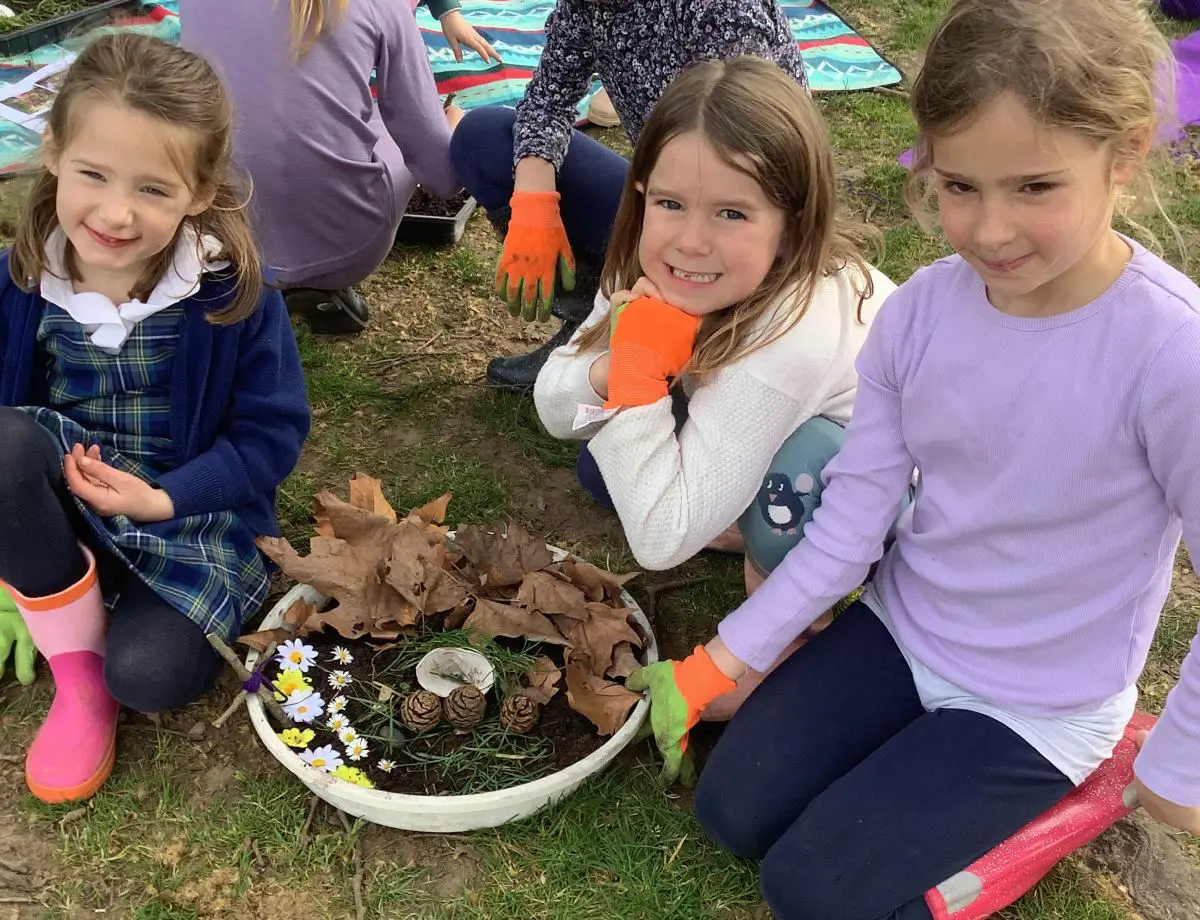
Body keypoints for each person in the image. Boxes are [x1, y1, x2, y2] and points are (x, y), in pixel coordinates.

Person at [627, 1, 1200, 917]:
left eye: (1035, 188)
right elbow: (849, 527)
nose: (990, 230)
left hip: (1042, 706)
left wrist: (1184, 760)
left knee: (811, 889)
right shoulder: (920, 315)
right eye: (960, 186)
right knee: (732, 808)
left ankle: (1090, 782)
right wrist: (721, 661)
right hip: (906, 629)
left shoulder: (1172, 355)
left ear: (1124, 155)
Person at [535, 56, 898, 718]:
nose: (692, 241)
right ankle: (739, 516)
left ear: (792, 224)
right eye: (670, 203)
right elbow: (555, 404)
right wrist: (613, 365)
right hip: (768, 419)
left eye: (732, 213)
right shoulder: (653, 255)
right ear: (643, 193)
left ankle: (791, 632)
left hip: (899, 493)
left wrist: (639, 379)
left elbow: (660, 540)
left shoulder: (793, 335)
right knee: (602, 466)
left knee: (800, 471)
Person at [0, 33, 310, 805]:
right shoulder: (18, 279)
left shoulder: (231, 297)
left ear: (200, 193)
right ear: (51, 152)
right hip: (55, 499)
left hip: (185, 516)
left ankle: (86, 626)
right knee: (3, 445)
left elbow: (271, 435)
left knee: (151, 676)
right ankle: (74, 674)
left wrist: (162, 498)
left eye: (153, 190)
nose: (115, 213)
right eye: (93, 175)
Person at [450, 0, 808, 392]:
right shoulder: (587, 5)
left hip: (742, 221)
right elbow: (548, 101)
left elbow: (751, 155)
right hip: (667, 199)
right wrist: (534, 207)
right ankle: (593, 322)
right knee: (484, 139)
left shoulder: (719, 7)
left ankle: (685, 349)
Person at [181, 0, 474, 334]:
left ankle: (264, 281)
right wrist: (453, 128)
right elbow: (441, 173)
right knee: (388, 126)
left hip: (219, 241)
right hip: (346, 247)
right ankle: (313, 281)